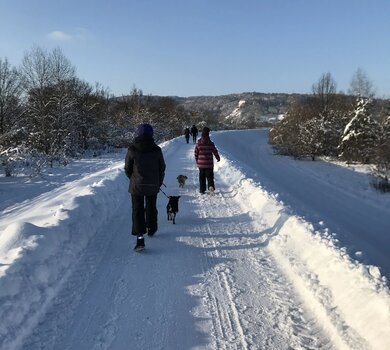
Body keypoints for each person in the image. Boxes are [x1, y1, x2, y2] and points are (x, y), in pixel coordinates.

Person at [124, 123, 166, 251]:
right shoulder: (157, 149)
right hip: (152, 184)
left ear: (137, 133)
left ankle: (140, 238)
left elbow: (127, 169)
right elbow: (162, 168)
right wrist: (158, 182)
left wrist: (133, 178)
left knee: (137, 209)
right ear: (151, 134)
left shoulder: (132, 149)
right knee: (151, 206)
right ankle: (152, 228)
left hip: (137, 185)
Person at [194, 126, 220, 194]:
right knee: (210, 176)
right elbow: (215, 151)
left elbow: (196, 153)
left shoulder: (199, 143)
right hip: (209, 163)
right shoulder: (211, 143)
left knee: (202, 177)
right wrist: (218, 157)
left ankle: (202, 190)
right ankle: (211, 187)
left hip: (201, 163)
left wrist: (197, 160)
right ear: (208, 134)